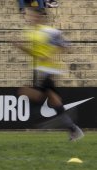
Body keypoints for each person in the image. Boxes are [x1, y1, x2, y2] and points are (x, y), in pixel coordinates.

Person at [14, 8, 84, 141]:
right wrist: (21, 47)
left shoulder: (50, 32)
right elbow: (35, 54)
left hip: (51, 70)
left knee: (25, 91)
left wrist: (49, 55)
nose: (32, 18)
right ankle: (72, 128)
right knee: (53, 100)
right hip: (41, 70)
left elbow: (66, 46)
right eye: (31, 16)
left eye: (35, 16)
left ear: (41, 17)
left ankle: (45, 120)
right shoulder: (30, 33)